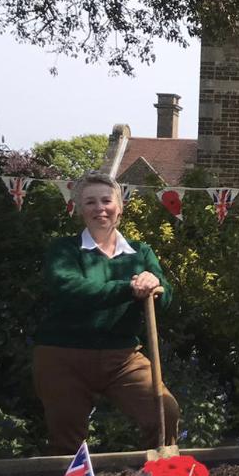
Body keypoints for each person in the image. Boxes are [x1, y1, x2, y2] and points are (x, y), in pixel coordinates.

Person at [33, 170, 179, 454]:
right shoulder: (64, 250)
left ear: (120, 207)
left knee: (164, 411)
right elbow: (72, 290)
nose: (99, 208)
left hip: (122, 357)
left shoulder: (141, 252)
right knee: (67, 437)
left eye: (106, 200)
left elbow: (165, 298)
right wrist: (130, 288)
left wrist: (154, 285)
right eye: (90, 202)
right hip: (62, 355)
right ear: (79, 210)